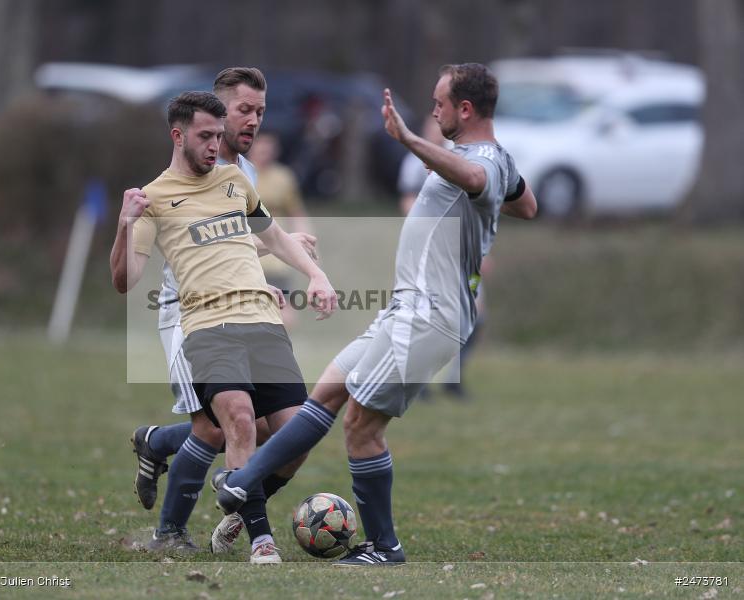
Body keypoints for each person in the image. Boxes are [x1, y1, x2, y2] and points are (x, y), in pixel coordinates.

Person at [210, 63, 537, 566]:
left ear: (465, 110)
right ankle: (244, 487)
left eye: (439, 103)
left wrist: (409, 139)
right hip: (403, 310)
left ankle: (385, 547)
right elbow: (527, 205)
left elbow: (478, 178)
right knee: (328, 389)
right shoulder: (493, 161)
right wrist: (484, 200)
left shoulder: (482, 159)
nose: (433, 111)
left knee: (361, 424)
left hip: (430, 316)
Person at [110, 90, 337, 563]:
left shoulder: (235, 180)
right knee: (232, 422)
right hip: (204, 324)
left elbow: (268, 235)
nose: (217, 145)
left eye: (220, 135)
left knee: (296, 436)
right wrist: (124, 225)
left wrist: (316, 275)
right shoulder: (153, 198)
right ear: (178, 135)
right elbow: (125, 280)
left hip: (262, 321)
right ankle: (260, 539)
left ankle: (234, 495)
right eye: (206, 136)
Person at [248, 131, 313, 328]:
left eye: (269, 149)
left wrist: (304, 240)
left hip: (277, 255)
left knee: (285, 308)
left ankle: (281, 349)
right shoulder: (240, 173)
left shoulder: (283, 177)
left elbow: (296, 212)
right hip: (248, 250)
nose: (264, 153)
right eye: (261, 148)